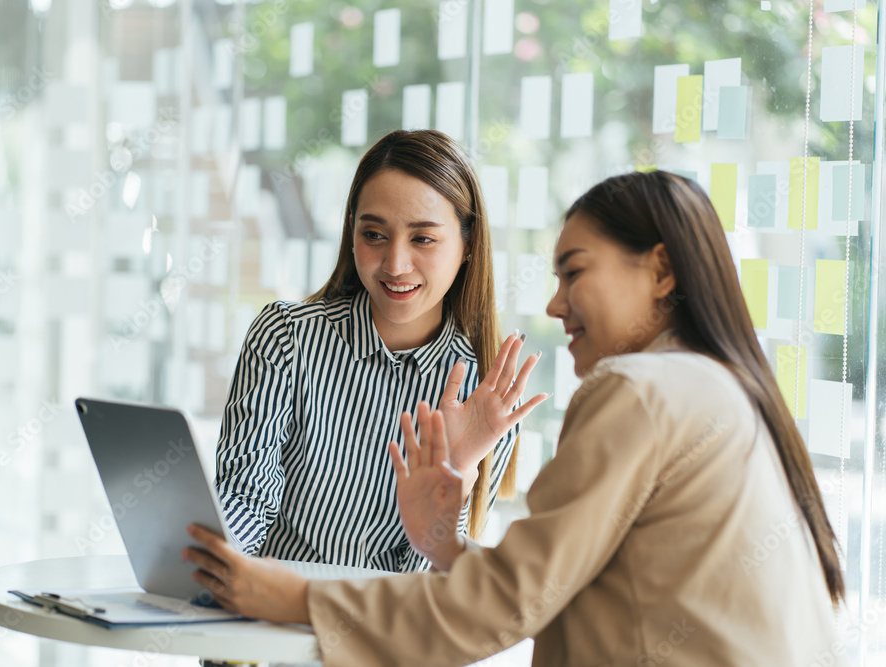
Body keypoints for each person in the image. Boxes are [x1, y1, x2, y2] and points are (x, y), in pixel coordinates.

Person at [186, 170, 845, 666]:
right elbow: (550, 582)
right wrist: (445, 542)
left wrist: (293, 598)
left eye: (574, 272)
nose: (555, 305)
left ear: (662, 269)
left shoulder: (639, 390)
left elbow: (507, 602)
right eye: (373, 233)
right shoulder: (724, 388)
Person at [215, 129, 548, 572]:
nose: (395, 264)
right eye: (374, 234)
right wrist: (206, 561)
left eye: (423, 239)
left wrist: (455, 472)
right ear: (351, 232)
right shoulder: (286, 337)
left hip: (383, 634)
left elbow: (432, 581)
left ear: (467, 245)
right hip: (268, 620)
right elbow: (244, 500)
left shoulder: (486, 395)